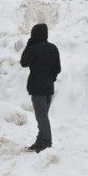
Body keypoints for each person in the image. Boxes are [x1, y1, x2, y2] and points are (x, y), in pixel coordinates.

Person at [20, 23, 61, 152]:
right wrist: (51, 78)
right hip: (49, 87)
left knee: (41, 116)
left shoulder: (33, 49)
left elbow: (23, 62)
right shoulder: (53, 48)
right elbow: (57, 68)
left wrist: (29, 44)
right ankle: (40, 140)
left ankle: (46, 142)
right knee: (43, 116)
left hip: (37, 88)